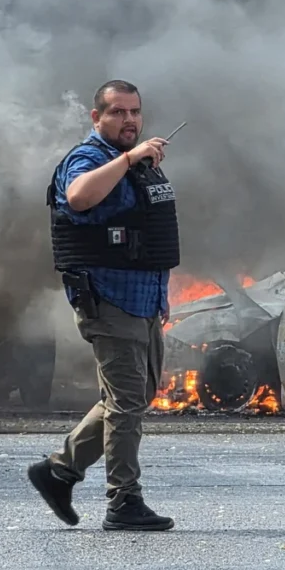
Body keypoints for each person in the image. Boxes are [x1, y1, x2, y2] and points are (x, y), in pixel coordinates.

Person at [27, 79, 180, 532]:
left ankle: (59, 471)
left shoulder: (140, 165)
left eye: (134, 112)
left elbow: (149, 233)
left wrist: (161, 294)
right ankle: (123, 501)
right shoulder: (89, 158)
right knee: (127, 401)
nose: (129, 120)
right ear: (97, 118)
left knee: (132, 397)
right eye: (117, 112)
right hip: (108, 299)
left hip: (142, 299)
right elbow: (79, 197)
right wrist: (129, 158)